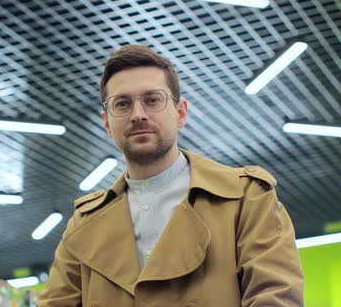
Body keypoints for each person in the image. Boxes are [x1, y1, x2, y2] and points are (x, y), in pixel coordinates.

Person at [36, 45, 304, 306]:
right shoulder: (84, 224)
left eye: (152, 100)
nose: (138, 115)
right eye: (123, 104)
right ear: (107, 123)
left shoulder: (246, 198)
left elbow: (276, 297)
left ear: (180, 113)